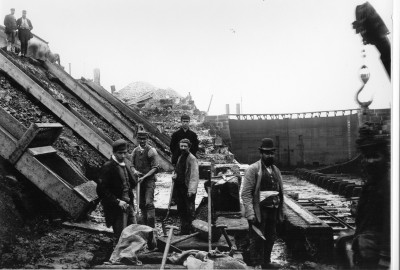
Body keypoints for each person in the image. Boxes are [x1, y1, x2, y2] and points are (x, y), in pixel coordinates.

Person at [241, 138, 284, 269]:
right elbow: (246, 193)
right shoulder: (253, 169)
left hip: (273, 209)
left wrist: (282, 211)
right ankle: (256, 263)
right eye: (267, 153)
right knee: (257, 237)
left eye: (272, 153)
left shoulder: (276, 170)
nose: (269, 155)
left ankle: (266, 261)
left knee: (271, 236)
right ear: (261, 153)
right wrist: (250, 212)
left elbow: (281, 192)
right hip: (260, 210)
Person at [96, 139, 137, 239]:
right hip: (116, 208)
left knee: (133, 232)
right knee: (121, 236)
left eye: (125, 153)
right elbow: (101, 190)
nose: (123, 156)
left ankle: (131, 253)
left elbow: (131, 183)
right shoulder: (108, 167)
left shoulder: (126, 163)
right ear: (114, 152)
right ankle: (119, 253)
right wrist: (117, 201)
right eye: (120, 153)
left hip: (129, 204)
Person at [129, 131, 160, 228]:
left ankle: (151, 227)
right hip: (139, 181)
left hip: (149, 181)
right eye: (140, 139)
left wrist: (144, 177)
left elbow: (155, 168)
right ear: (137, 139)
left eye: (144, 139)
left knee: (148, 203)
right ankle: (143, 225)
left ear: (147, 139)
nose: (142, 141)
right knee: (141, 204)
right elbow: (131, 165)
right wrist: (134, 171)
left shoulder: (151, 151)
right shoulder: (135, 151)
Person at [172, 138, 199, 235]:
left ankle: (192, 230)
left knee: (189, 210)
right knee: (181, 209)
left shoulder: (192, 159)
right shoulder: (180, 157)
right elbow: (178, 169)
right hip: (179, 187)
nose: (183, 148)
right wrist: (175, 175)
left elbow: (194, 176)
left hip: (187, 188)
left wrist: (191, 190)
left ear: (189, 147)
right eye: (181, 146)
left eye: (185, 146)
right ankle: (184, 230)